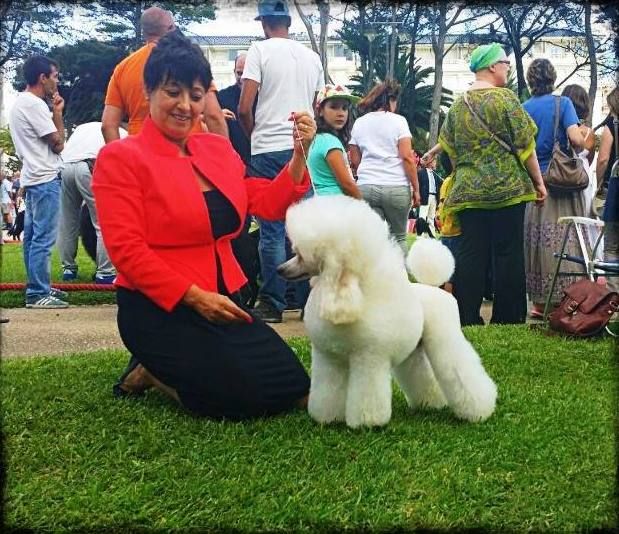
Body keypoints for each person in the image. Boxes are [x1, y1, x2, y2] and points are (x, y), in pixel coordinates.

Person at [92, 31, 315, 420]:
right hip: (157, 307)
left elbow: (262, 201)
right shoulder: (120, 158)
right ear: (149, 92)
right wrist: (194, 297)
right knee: (235, 401)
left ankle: (162, 366)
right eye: (173, 92)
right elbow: (126, 251)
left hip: (222, 300)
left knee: (294, 386)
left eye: (195, 95)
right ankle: (151, 369)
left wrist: (299, 155)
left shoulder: (216, 148)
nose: (185, 105)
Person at [430, 43, 546, 326]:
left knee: (471, 254)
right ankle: (508, 317)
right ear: (492, 66)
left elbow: (451, 149)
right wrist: (539, 183)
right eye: (505, 63)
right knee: (508, 254)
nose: (508, 67)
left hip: (469, 193)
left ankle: (467, 316)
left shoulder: (458, 105)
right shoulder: (506, 100)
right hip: (508, 191)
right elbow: (525, 146)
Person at [238, 0, 324, 323]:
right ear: (289, 22)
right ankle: (308, 303)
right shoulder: (312, 58)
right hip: (302, 145)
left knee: (271, 231)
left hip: (265, 149)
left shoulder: (259, 50)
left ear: (264, 24)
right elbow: (315, 104)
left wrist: (254, 136)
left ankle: (272, 302)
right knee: (303, 230)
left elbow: (245, 107)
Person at [101, 7, 227, 143]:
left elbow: (108, 125)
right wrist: (224, 157)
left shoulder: (123, 68)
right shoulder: (188, 62)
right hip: (186, 147)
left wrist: (119, 159)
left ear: (144, 32)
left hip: (141, 150)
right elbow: (214, 116)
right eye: (173, 93)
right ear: (171, 28)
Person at [523, 58, 585, 318]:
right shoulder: (564, 103)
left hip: (536, 184)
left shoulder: (523, 107)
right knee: (567, 238)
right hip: (563, 185)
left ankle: (539, 302)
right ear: (553, 78)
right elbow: (575, 140)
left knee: (538, 241)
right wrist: (584, 138)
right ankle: (568, 299)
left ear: (530, 81)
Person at [8, 55, 69, 308]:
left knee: (33, 237)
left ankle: (38, 286)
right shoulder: (33, 104)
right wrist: (57, 113)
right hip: (45, 178)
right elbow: (57, 143)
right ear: (42, 78)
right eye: (54, 76)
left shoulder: (20, 104)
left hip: (33, 177)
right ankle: (37, 292)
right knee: (42, 238)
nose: (56, 81)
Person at [348, 79, 421, 255]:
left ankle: (373, 280)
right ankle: (400, 278)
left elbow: (355, 160)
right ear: (391, 100)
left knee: (373, 238)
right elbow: (407, 158)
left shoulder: (359, 123)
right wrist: (416, 189)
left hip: (367, 186)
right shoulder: (399, 122)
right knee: (399, 237)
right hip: (396, 187)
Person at [58, 122, 127, 283]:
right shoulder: (122, 132)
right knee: (103, 223)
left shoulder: (83, 128)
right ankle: (105, 272)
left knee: (68, 221)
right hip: (90, 166)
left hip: (66, 166)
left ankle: (68, 269)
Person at [307, 84, 361, 198]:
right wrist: (364, 206)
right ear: (320, 111)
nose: (341, 113)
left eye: (344, 108)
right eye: (334, 107)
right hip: (336, 205)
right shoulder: (330, 142)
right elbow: (347, 185)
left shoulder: (314, 139)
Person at [596, 87, 619, 292]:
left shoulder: (611, 124)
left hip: (615, 189)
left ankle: (614, 295)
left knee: (611, 245)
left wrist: (598, 185)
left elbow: (603, 159)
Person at [561, 84, 597, 215]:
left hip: (560, 178)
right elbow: (590, 160)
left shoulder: (560, 131)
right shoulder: (589, 133)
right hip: (582, 179)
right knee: (583, 216)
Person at [216, 52, 251, 165]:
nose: (242, 78)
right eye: (239, 73)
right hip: (232, 161)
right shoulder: (222, 96)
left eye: (246, 74)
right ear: (234, 72)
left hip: (258, 162)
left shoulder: (264, 98)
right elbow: (200, 117)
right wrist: (218, 116)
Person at [417, 157, 442, 236]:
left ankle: (432, 235)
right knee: (422, 217)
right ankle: (420, 236)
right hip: (425, 197)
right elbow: (418, 186)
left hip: (434, 197)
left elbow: (441, 183)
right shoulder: (421, 173)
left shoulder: (435, 174)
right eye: (434, 162)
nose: (435, 163)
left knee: (431, 218)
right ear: (429, 163)